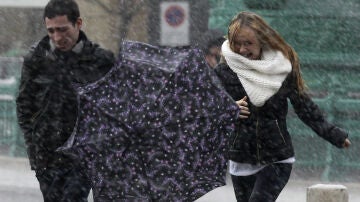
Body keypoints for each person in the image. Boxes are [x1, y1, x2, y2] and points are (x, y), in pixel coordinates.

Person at [214, 11, 351, 202]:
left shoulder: (280, 68)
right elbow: (208, 108)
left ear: (262, 41)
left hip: (276, 157)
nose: (243, 49)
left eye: (248, 43)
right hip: (241, 157)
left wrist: (333, 134)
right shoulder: (223, 72)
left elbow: (304, 107)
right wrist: (228, 109)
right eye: (237, 43)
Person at [15, 0, 115, 201]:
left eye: (62, 30)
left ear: (78, 23)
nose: (57, 37)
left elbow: (113, 106)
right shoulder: (37, 59)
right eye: (51, 31)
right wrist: (34, 147)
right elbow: (24, 105)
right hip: (46, 155)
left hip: (82, 155)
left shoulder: (101, 60)